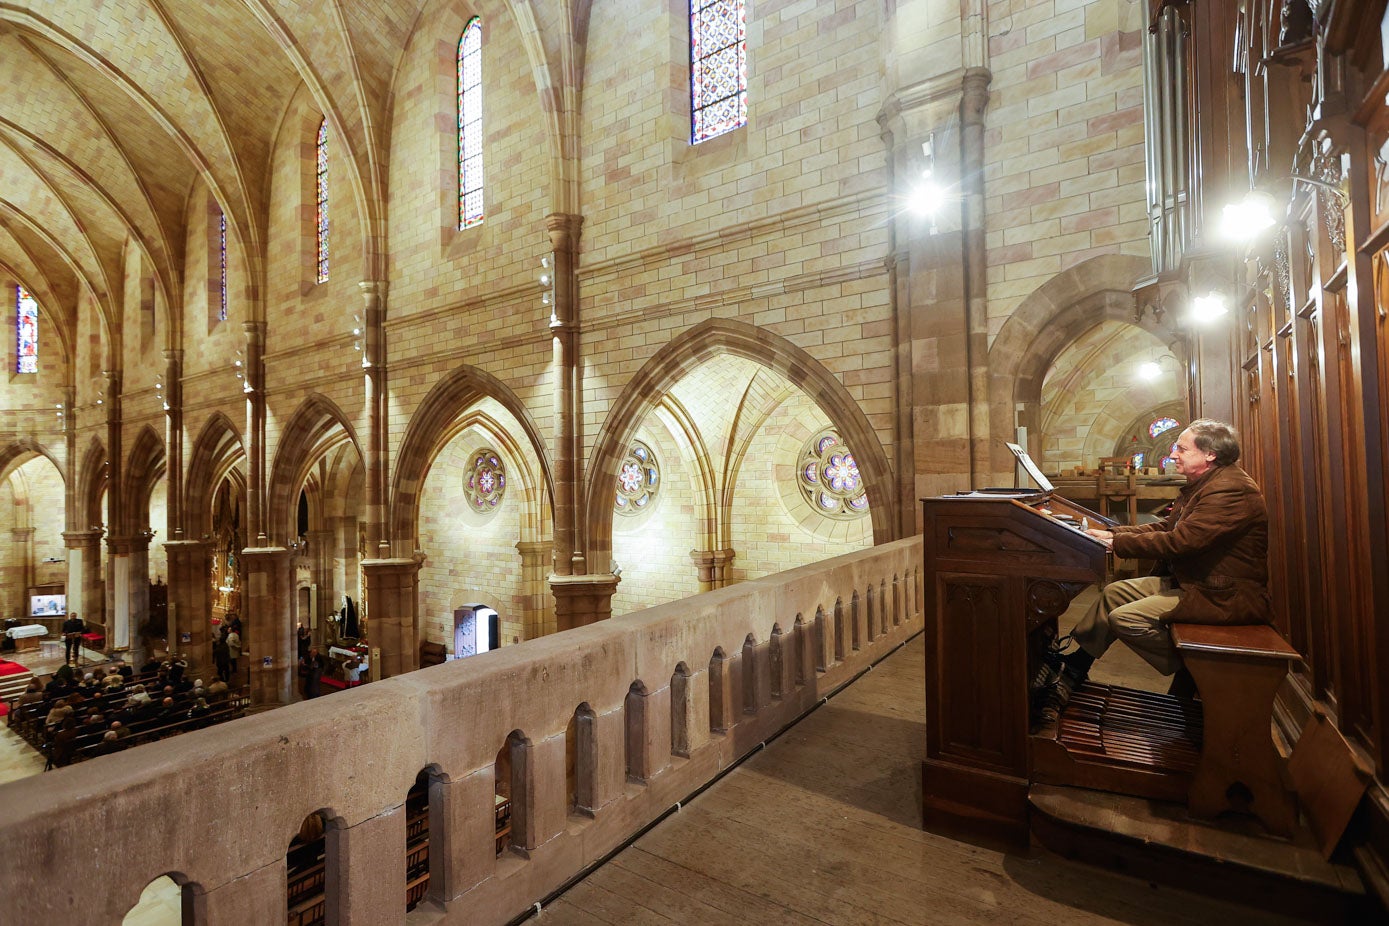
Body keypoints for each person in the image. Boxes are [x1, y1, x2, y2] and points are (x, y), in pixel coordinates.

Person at [1042, 419, 1273, 716]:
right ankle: (1075, 667)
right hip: (1197, 583)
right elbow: (1167, 526)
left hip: (1223, 594)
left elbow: (1180, 542)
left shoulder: (1230, 490)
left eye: (1181, 448)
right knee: (1114, 593)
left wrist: (1116, 545)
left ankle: (1197, 668)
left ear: (1210, 454)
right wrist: (1114, 535)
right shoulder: (1207, 483)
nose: (1173, 454)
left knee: (1125, 619)